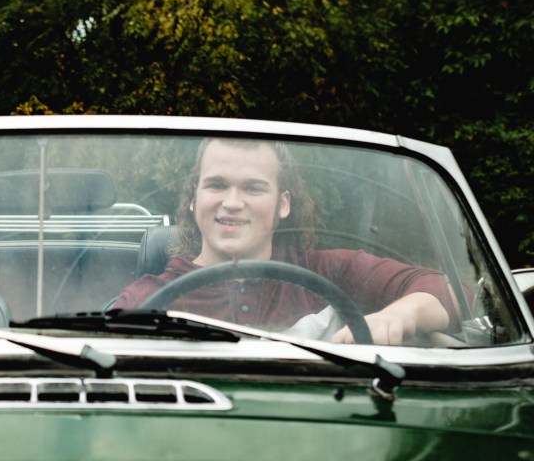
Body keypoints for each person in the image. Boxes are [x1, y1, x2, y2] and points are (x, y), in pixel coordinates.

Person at [113, 138, 458, 345]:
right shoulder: (147, 299)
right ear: (193, 199)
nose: (232, 202)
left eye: (253, 188)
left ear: (283, 204)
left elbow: (454, 293)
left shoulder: (328, 270)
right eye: (217, 185)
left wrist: (401, 315)